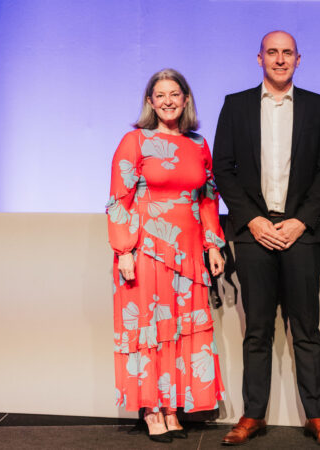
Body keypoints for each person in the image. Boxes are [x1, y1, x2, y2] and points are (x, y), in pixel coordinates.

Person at [212, 30, 320, 447]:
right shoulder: (235, 106)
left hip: (300, 233)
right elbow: (223, 169)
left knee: (306, 329)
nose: (280, 59)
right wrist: (251, 220)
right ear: (259, 58)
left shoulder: (319, 107)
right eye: (273, 52)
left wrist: (301, 221)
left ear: (299, 60)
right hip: (254, 234)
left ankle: (317, 417)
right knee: (258, 330)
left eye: (288, 53)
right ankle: (253, 415)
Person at [106, 68, 226, 443]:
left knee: (179, 331)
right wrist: (123, 250)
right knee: (150, 331)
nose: (169, 101)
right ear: (150, 102)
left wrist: (213, 245)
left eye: (175, 94)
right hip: (147, 250)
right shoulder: (135, 141)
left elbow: (208, 198)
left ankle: (172, 406)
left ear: (186, 99)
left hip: (189, 253)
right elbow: (118, 200)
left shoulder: (198, 145)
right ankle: (151, 409)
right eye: (160, 95)